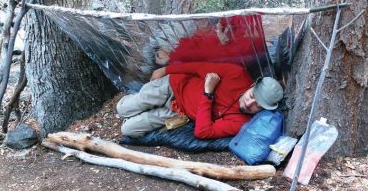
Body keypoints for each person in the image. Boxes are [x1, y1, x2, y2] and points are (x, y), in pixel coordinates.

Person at [116, 62, 283, 139]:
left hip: (177, 112)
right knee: (122, 109)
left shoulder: (240, 121)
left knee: (128, 129)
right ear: (252, 85)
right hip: (174, 85)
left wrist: (208, 93)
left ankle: (146, 108)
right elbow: (197, 68)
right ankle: (139, 99)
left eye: (258, 107)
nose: (249, 104)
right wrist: (165, 69)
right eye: (252, 96)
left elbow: (202, 132)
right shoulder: (236, 74)